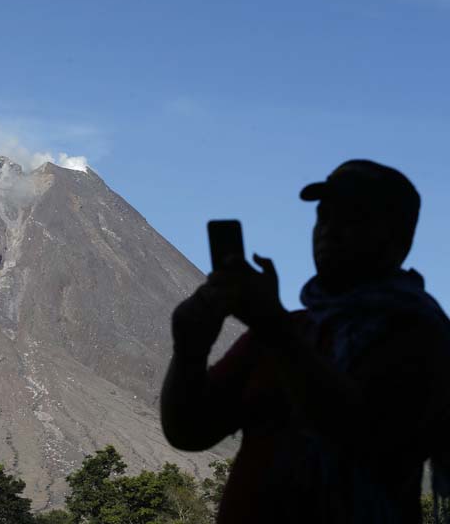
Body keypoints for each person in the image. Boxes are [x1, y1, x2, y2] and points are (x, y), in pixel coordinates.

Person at [160, 160, 450, 523]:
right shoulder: (290, 329)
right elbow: (190, 431)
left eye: (352, 218)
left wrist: (273, 326)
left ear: (398, 235)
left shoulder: (418, 333)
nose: (329, 230)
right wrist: (189, 348)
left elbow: (364, 435)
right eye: (324, 217)